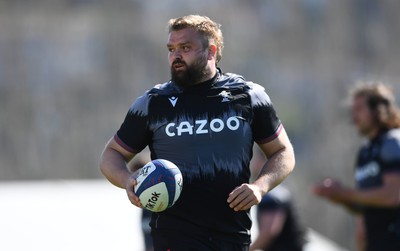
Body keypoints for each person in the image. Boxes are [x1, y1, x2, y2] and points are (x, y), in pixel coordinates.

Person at [99, 14, 295, 251]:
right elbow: (111, 155)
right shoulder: (153, 103)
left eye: (185, 48)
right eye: (171, 49)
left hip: (231, 238)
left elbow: (283, 152)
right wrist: (128, 180)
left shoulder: (248, 96)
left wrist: (260, 187)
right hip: (173, 238)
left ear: (211, 51)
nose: (176, 55)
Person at [312, 82, 400, 251]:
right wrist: (340, 197)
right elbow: (366, 205)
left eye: (359, 109)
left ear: (378, 110)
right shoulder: (365, 152)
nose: (354, 116)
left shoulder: (392, 143)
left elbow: (394, 195)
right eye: (353, 110)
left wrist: (344, 193)